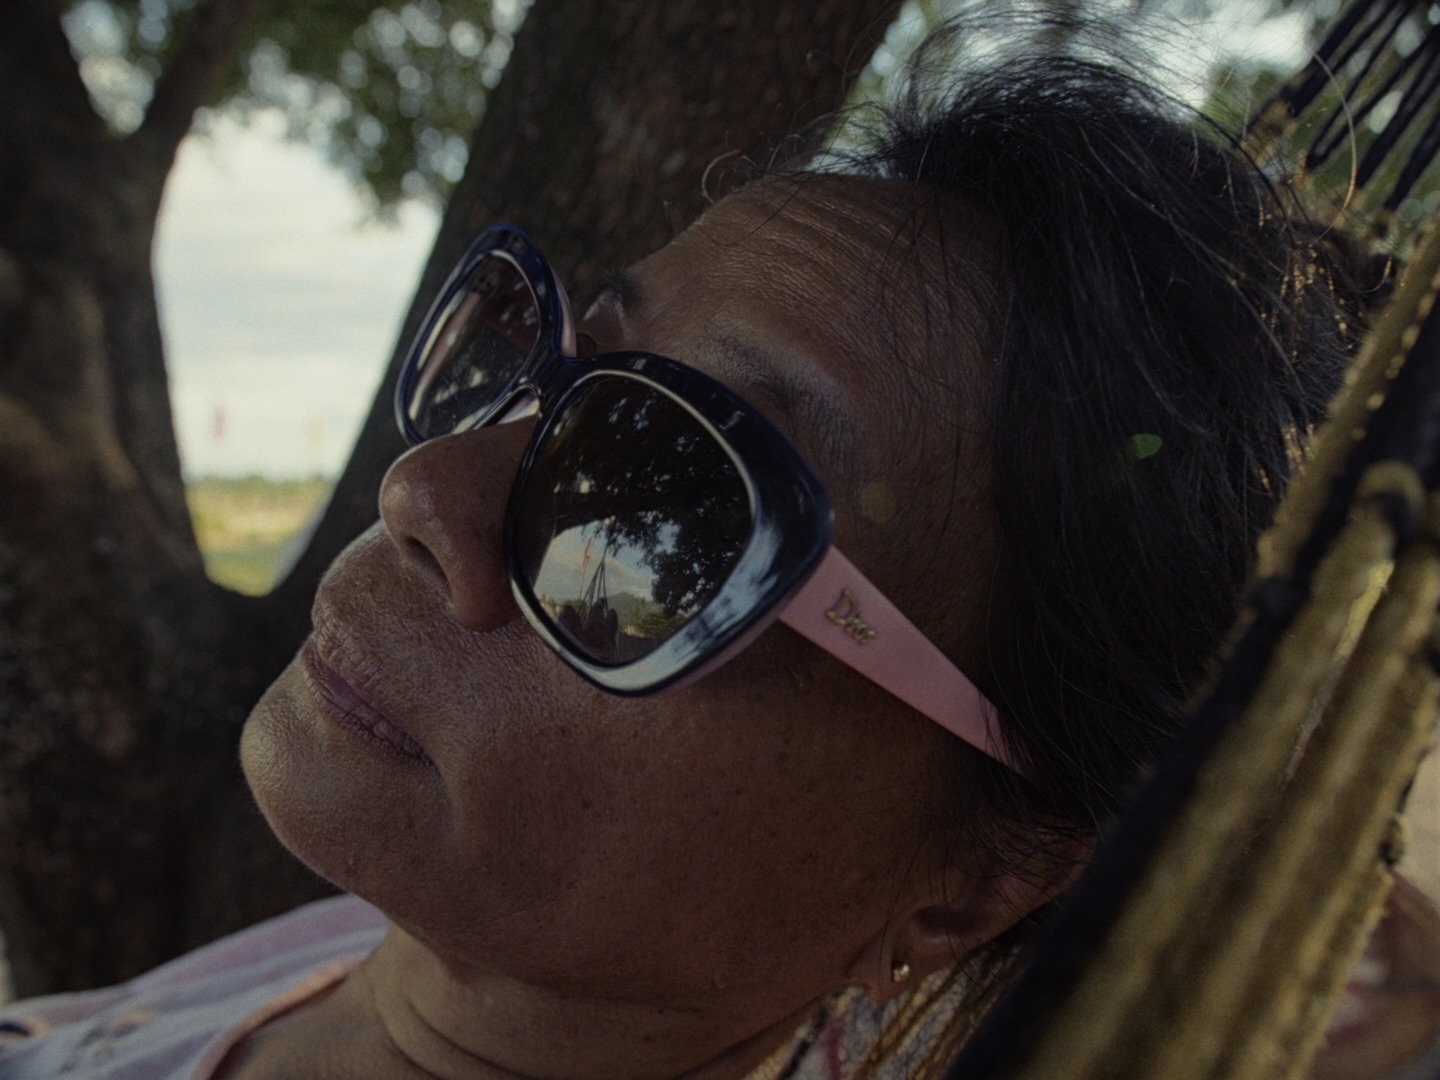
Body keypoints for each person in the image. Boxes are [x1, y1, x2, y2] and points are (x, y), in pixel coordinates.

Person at [2, 16, 1432, 1080]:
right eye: (548, 372)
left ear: (977, 876)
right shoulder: (392, 960)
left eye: (672, 501)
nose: (427, 491)